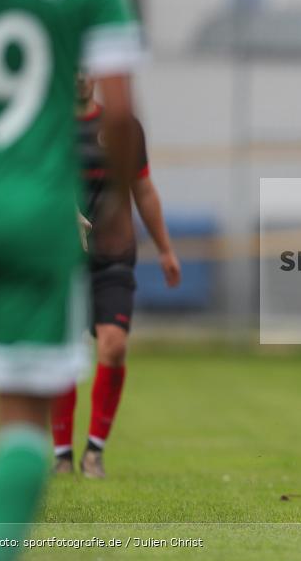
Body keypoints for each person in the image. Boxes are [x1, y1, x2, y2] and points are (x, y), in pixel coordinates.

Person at [0, 0, 142, 557]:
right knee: (20, 418)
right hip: (34, 218)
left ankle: (87, 449)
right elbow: (121, 112)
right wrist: (119, 203)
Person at [50, 75, 182, 478]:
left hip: (113, 256)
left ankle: (94, 451)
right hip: (61, 261)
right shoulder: (48, 127)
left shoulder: (124, 129)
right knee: (63, 357)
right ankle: (60, 456)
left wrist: (164, 248)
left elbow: (143, 189)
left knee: (113, 345)